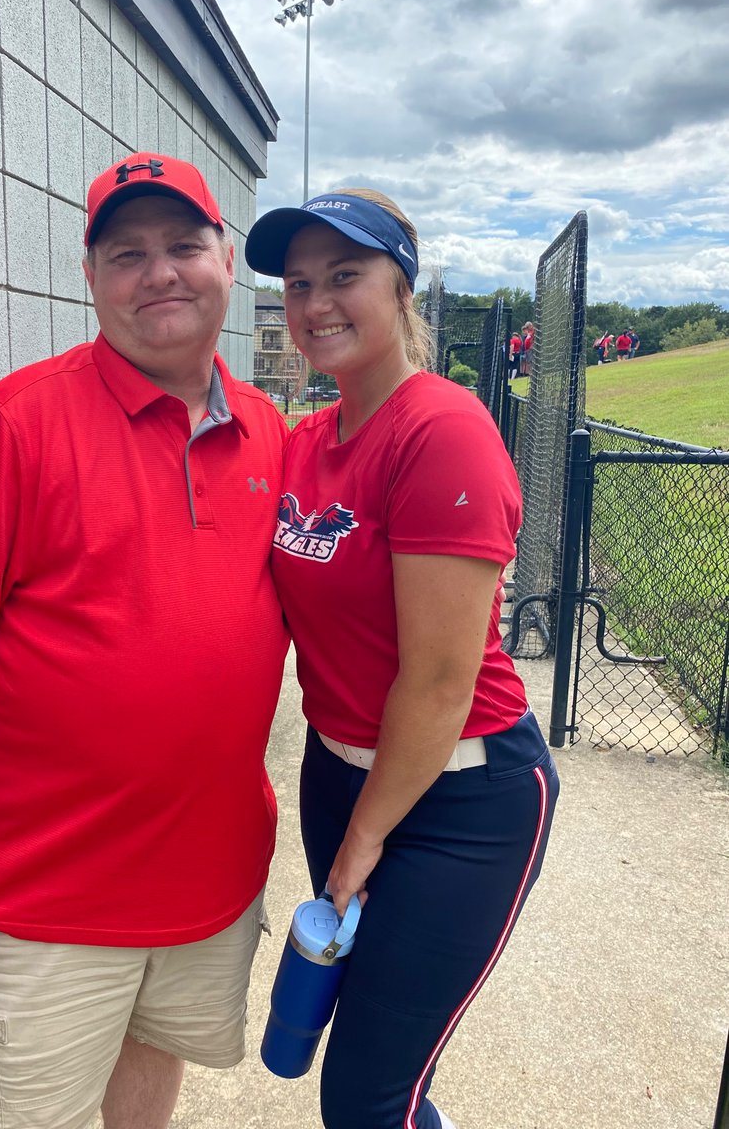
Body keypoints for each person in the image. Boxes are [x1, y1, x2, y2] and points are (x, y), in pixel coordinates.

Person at [0, 152, 290, 1129]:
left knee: (150, 1078)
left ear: (226, 261)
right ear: (91, 278)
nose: (160, 273)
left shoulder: (270, 432)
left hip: (209, 886)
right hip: (44, 902)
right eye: (126, 253)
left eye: (184, 245)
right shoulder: (18, 423)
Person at [245, 189, 560, 1129]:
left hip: (461, 800)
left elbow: (438, 680)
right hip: (338, 775)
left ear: (402, 290)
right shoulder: (307, 442)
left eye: (345, 276)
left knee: (369, 1092)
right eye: (299, 284)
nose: (316, 304)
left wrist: (365, 837)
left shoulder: (441, 430)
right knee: (348, 1047)